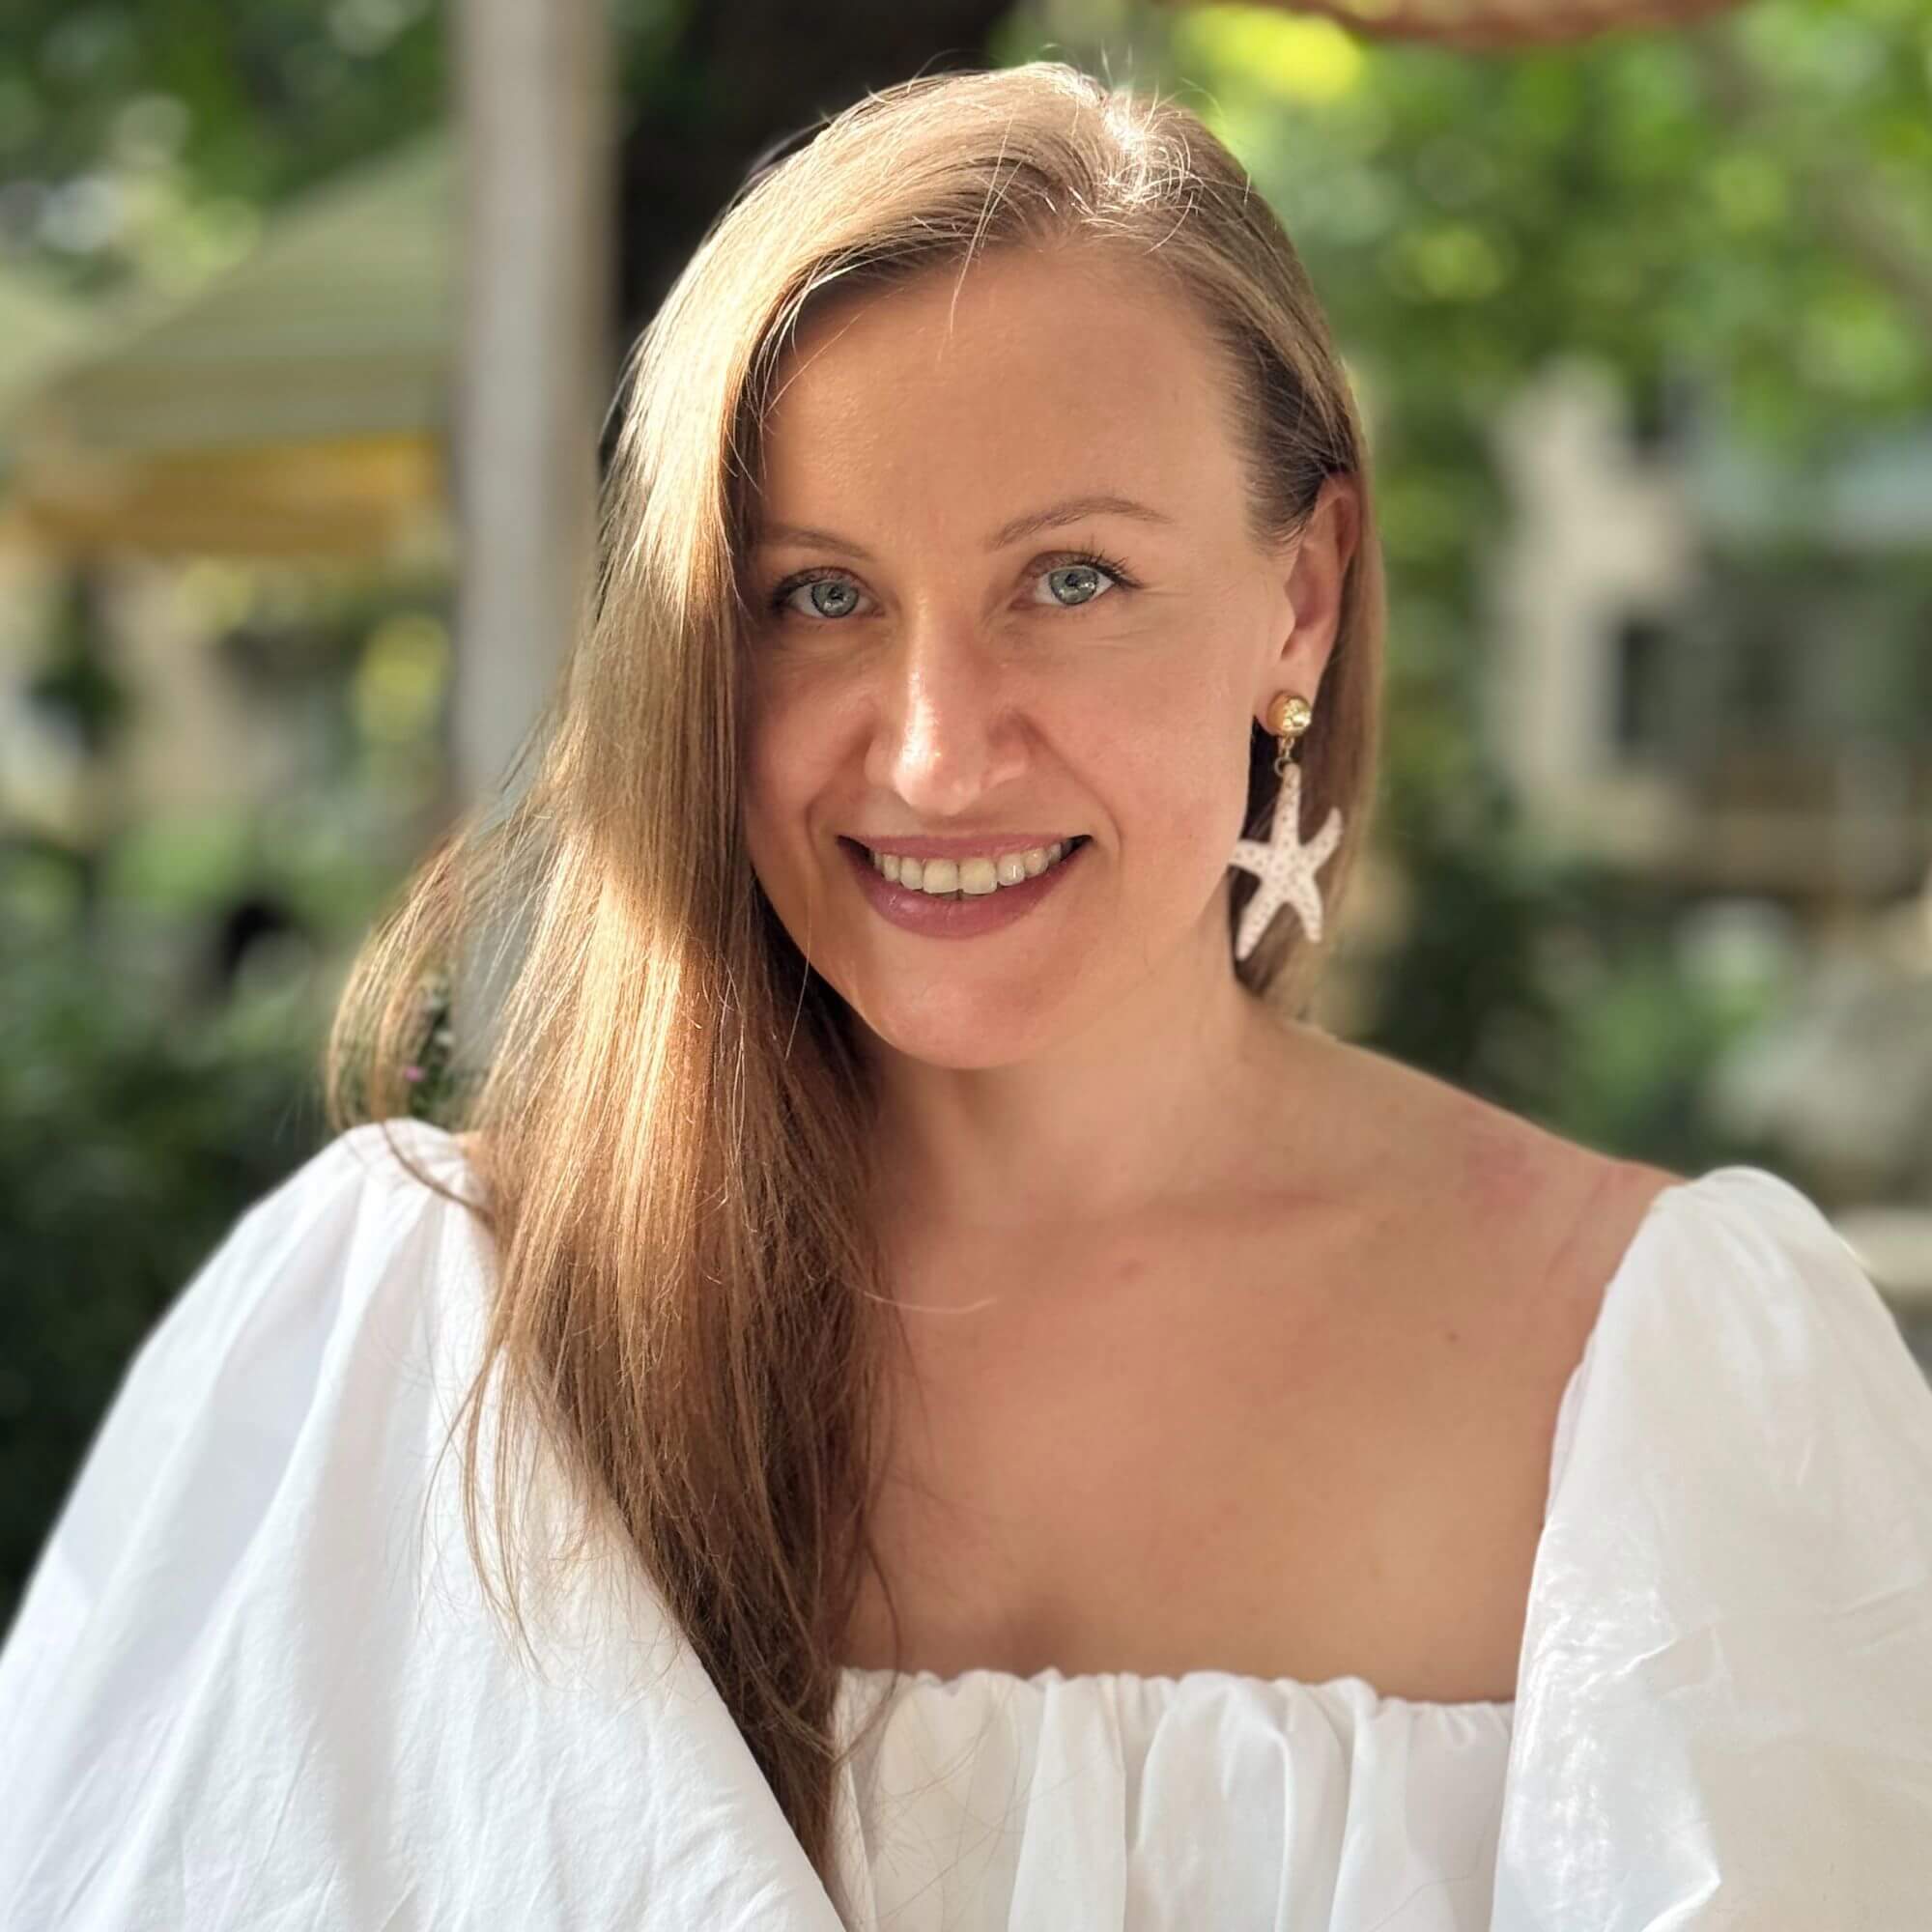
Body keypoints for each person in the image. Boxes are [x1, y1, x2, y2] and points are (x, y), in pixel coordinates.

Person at [5, 59, 1932, 1932]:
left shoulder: (1655, 1381)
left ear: (1303, 597)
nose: (934, 757)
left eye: (1070, 580)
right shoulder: (426, 1347)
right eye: (818, 594)